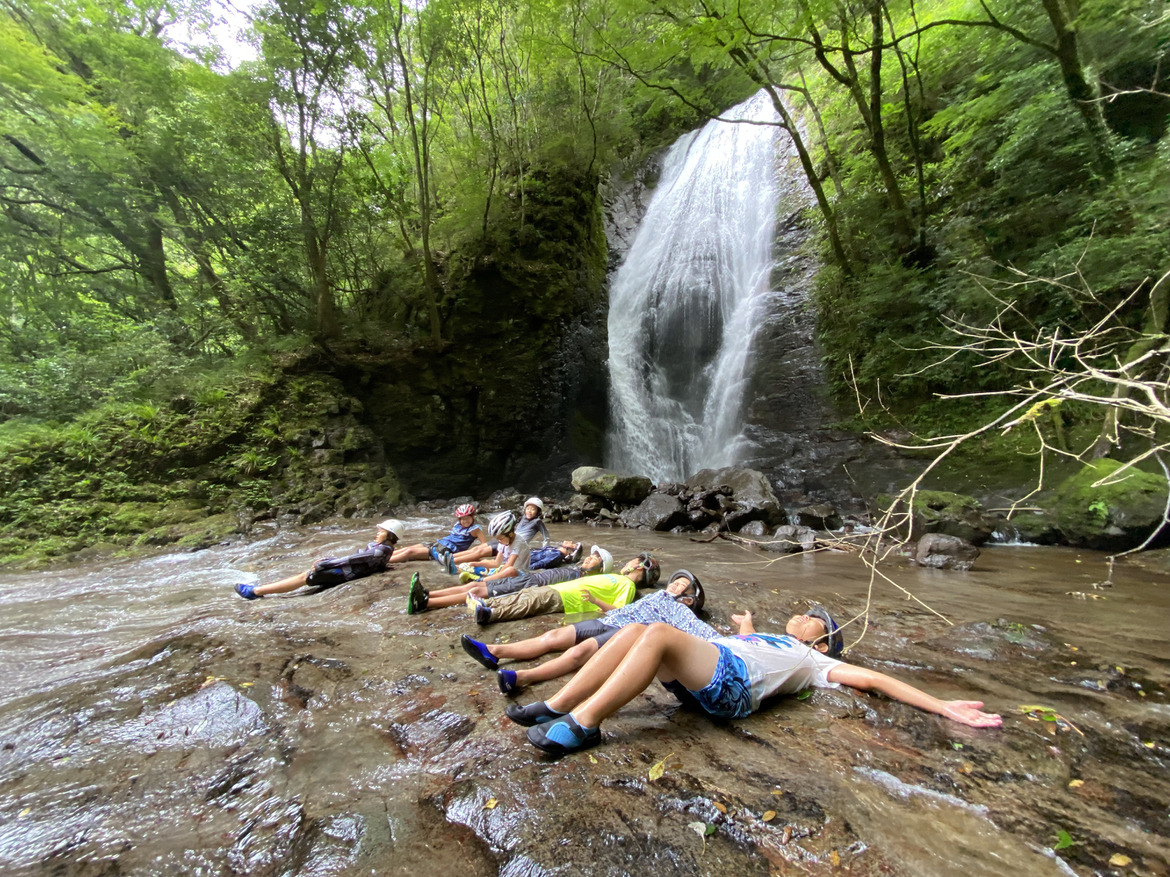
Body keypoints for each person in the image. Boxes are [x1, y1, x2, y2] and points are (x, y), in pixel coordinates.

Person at [507, 605, 1003, 755]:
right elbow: (746, 641)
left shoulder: (818, 663)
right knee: (635, 629)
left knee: (655, 632)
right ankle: (558, 705)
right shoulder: (777, 639)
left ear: (822, 644)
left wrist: (943, 706)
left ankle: (586, 722)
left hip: (733, 689)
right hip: (713, 671)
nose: (804, 615)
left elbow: (875, 679)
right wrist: (746, 625)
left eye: (814, 619)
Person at [460, 569, 714, 694]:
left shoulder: (680, 611)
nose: (675, 585)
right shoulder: (653, 596)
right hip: (611, 620)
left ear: (689, 599)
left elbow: (704, 634)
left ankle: (521, 678)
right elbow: (621, 609)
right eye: (675, 582)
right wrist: (595, 601)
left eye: (681, 585)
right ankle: (493, 651)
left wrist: (734, 641)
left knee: (577, 653)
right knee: (553, 637)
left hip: (627, 633)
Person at [408, 545, 616, 614]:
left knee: (479, 592)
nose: (588, 558)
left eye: (594, 559)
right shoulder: (574, 569)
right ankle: (428, 593)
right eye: (590, 556)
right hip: (529, 580)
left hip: (528, 587)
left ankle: (425, 603)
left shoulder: (582, 579)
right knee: (475, 584)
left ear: (599, 569)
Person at [463, 553, 661, 626]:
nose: (628, 562)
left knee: (531, 602)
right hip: (561, 588)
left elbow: (619, 611)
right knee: (526, 594)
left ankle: (491, 614)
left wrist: (595, 601)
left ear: (639, 567)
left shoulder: (627, 585)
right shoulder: (618, 577)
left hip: (569, 598)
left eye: (632, 561)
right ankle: (487, 603)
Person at [235, 519, 407, 600]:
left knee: (304, 577)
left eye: (381, 531)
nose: (377, 533)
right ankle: (259, 590)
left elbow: (352, 559)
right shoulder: (386, 549)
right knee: (303, 576)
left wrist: (326, 563)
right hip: (349, 572)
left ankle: (256, 592)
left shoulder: (380, 550)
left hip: (344, 573)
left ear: (390, 535)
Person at [407, 511, 532, 612]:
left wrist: (484, 580)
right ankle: (427, 594)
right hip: (504, 575)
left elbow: (508, 568)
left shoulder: (518, 543)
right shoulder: (504, 542)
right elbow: (497, 563)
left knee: (476, 589)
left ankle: (424, 603)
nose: (498, 541)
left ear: (510, 534)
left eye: (500, 538)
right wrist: (477, 563)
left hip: (518, 579)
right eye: (497, 539)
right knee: (472, 586)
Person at [394, 503, 488, 574]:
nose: (465, 521)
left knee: (409, 552)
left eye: (467, 518)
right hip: (439, 543)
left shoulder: (475, 529)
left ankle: (386, 560)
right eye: (462, 519)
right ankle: (387, 553)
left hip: (445, 550)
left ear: (472, 517)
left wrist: (473, 556)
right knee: (407, 548)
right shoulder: (458, 525)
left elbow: (484, 545)